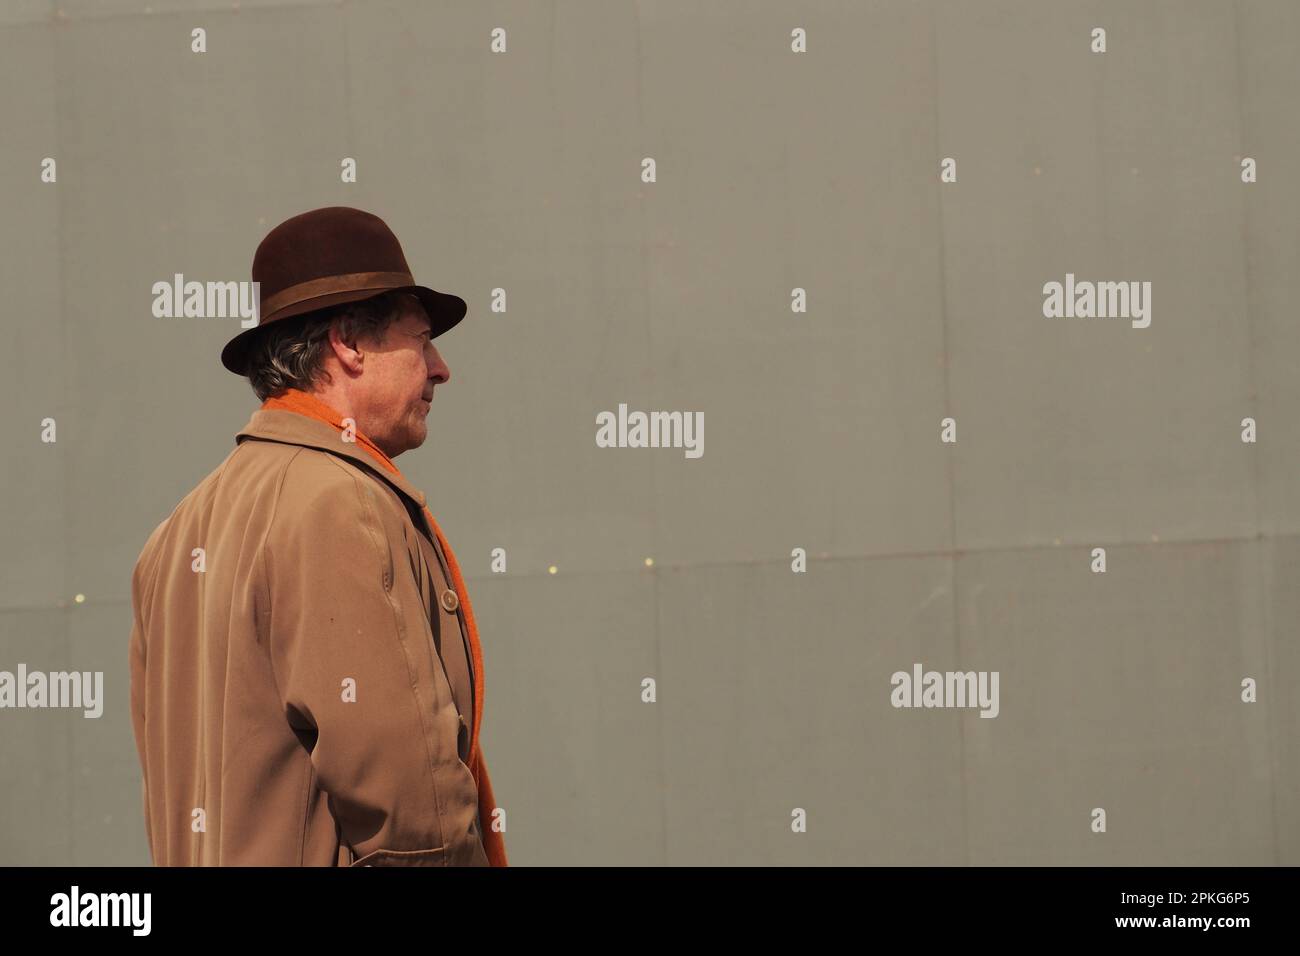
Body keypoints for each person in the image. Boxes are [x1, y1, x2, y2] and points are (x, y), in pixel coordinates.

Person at [128, 206, 507, 866]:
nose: (440, 368)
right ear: (348, 344)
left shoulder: (172, 536)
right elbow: (412, 804)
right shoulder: (339, 502)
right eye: (421, 339)